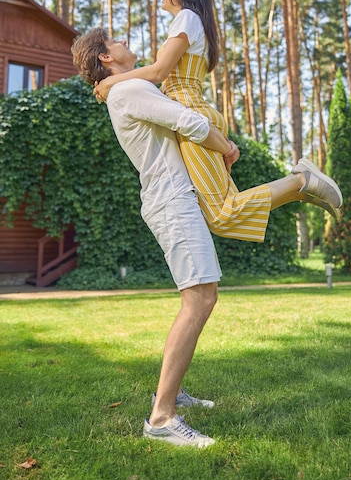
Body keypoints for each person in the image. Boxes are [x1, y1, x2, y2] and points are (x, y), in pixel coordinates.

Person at [71, 28, 237, 448]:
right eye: (116, 41)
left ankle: (171, 391)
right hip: (172, 201)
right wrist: (228, 148)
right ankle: (161, 417)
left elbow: (166, 83)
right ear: (105, 58)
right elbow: (189, 122)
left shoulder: (126, 88)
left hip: (174, 198)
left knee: (200, 296)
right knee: (199, 298)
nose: (125, 41)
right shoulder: (127, 94)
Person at [94, 0, 343, 239]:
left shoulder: (187, 17)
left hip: (189, 112)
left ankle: (301, 181)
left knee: (222, 215)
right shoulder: (190, 20)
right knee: (226, 208)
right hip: (191, 110)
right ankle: (301, 190)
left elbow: (159, 72)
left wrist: (110, 81)